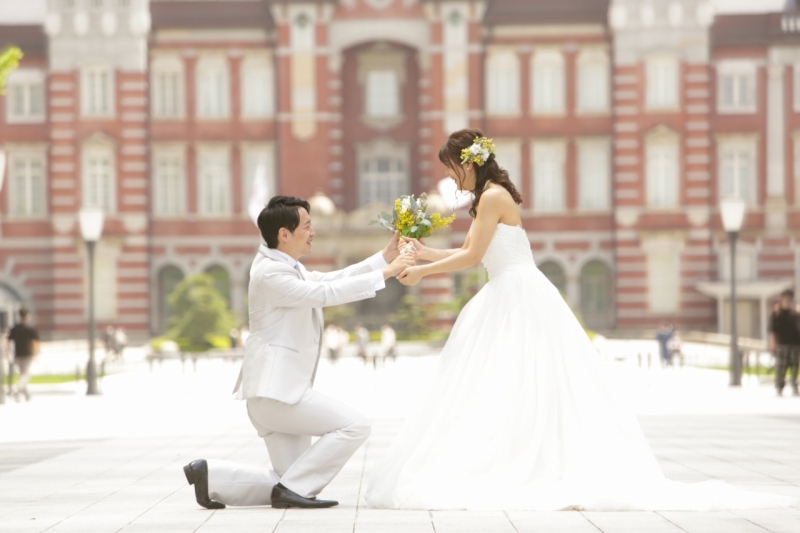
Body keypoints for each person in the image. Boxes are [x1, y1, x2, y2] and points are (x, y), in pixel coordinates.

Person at [364, 128, 797, 511]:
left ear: (468, 163)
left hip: (517, 295)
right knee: (509, 383)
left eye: (453, 167)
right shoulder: (486, 199)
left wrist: (422, 270)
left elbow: (473, 256)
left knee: (517, 381)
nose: (453, 177)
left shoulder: (493, 196)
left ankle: (523, 460)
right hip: (506, 290)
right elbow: (469, 255)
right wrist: (422, 253)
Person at [183, 195, 415, 510]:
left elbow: (330, 279)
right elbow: (324, 293)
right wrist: (386, 274)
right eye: (307, 225)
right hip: (277, 394)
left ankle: (211, 476)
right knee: (355, 426)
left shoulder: (284, 266)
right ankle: (292, 490)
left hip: (276, 393)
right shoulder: (271, 273)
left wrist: (382, 259)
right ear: (284, 234)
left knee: (288, 477)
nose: (313, 232)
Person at [768, 289, 800, 397]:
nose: (788, 301)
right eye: (786, 298)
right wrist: (772, 343)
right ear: (782, 299)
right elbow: (772, 330)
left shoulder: (796, 312)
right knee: (781, 367)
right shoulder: (777, 312)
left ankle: (795, 387)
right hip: (781, 345)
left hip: (795, 345)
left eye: (790, 298)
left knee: (795, 368)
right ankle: (779, 387)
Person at [5, 309, 40, 402]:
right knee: (25, 375)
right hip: (27, 354)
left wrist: (7, 353)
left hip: (17, 354)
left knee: (22, 374)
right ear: (27, 316)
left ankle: (27, 395)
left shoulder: (15, 328)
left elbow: (8, 341)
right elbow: (35, 342)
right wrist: (36, 353)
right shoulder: (30, 329)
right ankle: (17, 391)